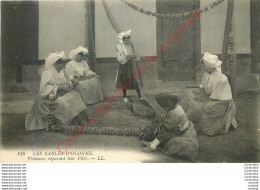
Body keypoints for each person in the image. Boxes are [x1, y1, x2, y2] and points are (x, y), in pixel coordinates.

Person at [25, 51, 88, 132]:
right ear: (54, 64)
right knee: (64, 104)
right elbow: (43, 90)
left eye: (63, 63)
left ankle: (78, 120)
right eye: (60, 63)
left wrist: (69, 84)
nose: (62, 65)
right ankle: (61, 124)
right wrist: (58, 87)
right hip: (48, 97)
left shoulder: (63, 72)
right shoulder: (48, 73)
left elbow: (67, 83)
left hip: (60, 94)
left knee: (76, 96)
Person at [182, 52, 237, 136]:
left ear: (210, 66)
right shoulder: (207, 73)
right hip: (210, 96)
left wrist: (203, 100)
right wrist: (194, 86)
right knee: (188, 92)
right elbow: (204, 86)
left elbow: (219, 96)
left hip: (221, 102)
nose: (202, 67)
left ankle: (189, 125)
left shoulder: (222, 79)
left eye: (203, 65)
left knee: (196, 106)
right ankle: (182, 117)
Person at [116, 30, 142, 102]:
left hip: (132, 65)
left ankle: (140, 96)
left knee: (135, 79)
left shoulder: (132, 46)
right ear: (123, 40)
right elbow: (119, 58)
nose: (127, 41)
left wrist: (134, 56)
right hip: (124, 65)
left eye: (128, 39)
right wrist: (126, 57)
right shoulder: (119, 47)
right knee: (124, 80)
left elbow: (137, 55)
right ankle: (124, 96)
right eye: (126, 40)